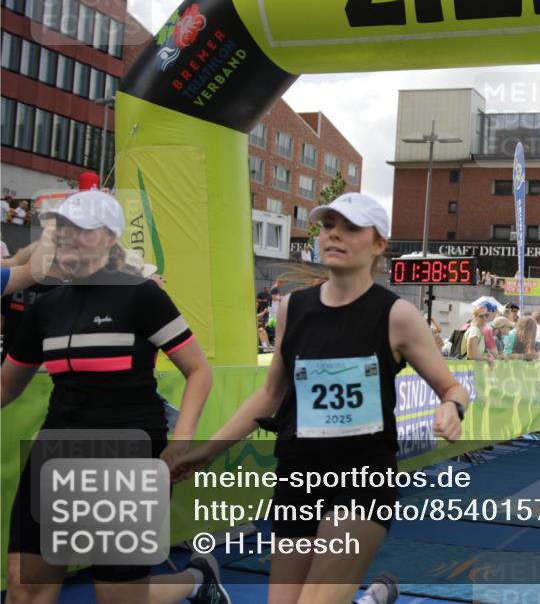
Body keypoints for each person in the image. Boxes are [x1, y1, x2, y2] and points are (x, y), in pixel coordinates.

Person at [171, 192, 468, 604]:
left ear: (378, 243)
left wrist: (452, 407)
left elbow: (453, 388)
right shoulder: (294, 307)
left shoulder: (396, 315)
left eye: (350, 228)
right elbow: (271, 393)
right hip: (299, 475)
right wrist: (206, 452)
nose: (334, 235)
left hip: (362, 478)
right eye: (328, 226)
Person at [1, 190, 225, 604]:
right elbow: (7, 385)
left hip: (127, 451)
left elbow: (198, 371)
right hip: (56, 451)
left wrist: (181, 444)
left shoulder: (141, 294)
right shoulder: (45, 308)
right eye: (61, 227)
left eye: (80, 229)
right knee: (25, 590)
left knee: (119, 596)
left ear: (109, 237)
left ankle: (197, 580)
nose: (66, 236)